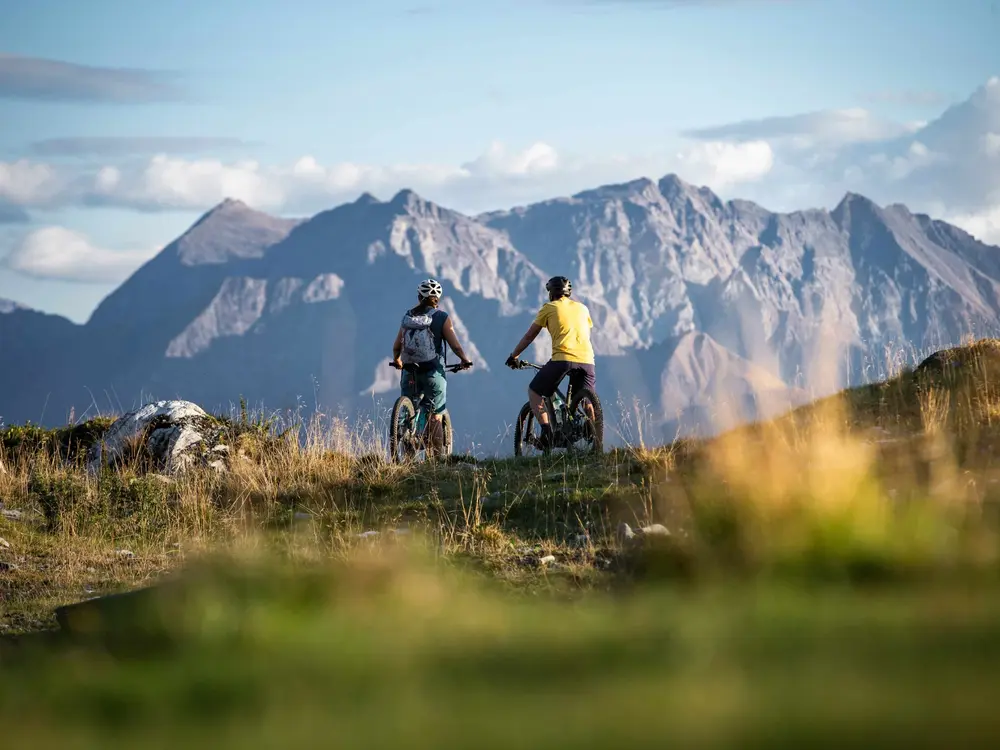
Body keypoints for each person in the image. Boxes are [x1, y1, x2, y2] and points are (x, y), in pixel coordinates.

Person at [506, 275, 596, 449]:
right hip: (587, 360)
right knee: (586, 401)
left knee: (534, 392)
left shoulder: (549, 307)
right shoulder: (583, 308)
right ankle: (592, 430)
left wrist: (514, 356)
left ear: (551, 292)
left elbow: (530, 336)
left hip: (562, 359)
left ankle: (547, 433)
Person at [391, 278, 473, 457]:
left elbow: (397, 345)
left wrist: (397, 360)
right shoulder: (442, 317)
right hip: (433, 372)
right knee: (436, 415)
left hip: (409, 372)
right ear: (438, 298)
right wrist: (464, 360)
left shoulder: (408, 316)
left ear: (419, 296)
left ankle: (406, 460)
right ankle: (437, 463)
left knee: (407, 414)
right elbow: (455, 346)